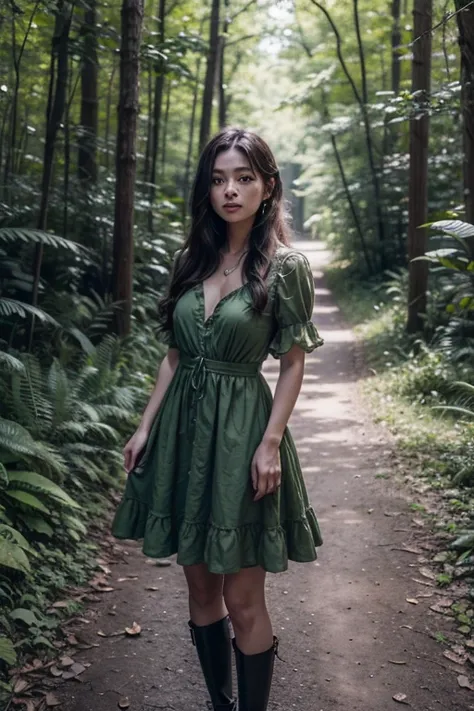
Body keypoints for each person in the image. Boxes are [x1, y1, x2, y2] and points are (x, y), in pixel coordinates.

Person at [111, 127, 324, 711]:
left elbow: (292, 362)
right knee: (199, 581)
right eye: (218, 178)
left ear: (267, 186)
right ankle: (218, 703)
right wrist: (146, 424)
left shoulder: (286, 267)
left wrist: (271, 441)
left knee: (244, 595)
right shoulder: (190, 258)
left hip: (241, 432)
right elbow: (175, 355)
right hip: (182, 432)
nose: (230, 190)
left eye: (244, 178)